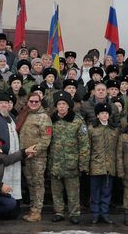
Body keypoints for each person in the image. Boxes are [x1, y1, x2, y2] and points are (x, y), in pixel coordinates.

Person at [48, 93, 90, 224]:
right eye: (59, 104)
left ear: (68, 106)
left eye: (64, 104)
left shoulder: (77, 120)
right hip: (55, 161)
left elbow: (84, 144)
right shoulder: (52, 120)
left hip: (72, 162)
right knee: (56, 191)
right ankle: (59, 212)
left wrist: (83, 164)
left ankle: (74, 213)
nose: (61, 107)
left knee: (73, 191)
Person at [17, 89, 52, 223]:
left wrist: (34, 151)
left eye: (36, 101)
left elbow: (46, 139)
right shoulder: (25, 114)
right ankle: (32, 208)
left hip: (37, 157)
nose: (33, 103)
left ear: (40, 102)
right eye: (31, 101)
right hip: (25, 156)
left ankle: (37, 210)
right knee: (30, 183)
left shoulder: (44, 117)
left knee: (38, 183)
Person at [88, 102, 119, 225]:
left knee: (107, 191)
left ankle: (104, 213)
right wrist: (86, 165)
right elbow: (87, 148)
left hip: (109, 165)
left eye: (106, 113)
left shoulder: (114, 129)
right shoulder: (92, 129)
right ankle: (95, 214)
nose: (104, 115)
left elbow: (117, 148)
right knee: (95, 191)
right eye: (102, 113)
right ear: (97, 115)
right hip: (95, 165)